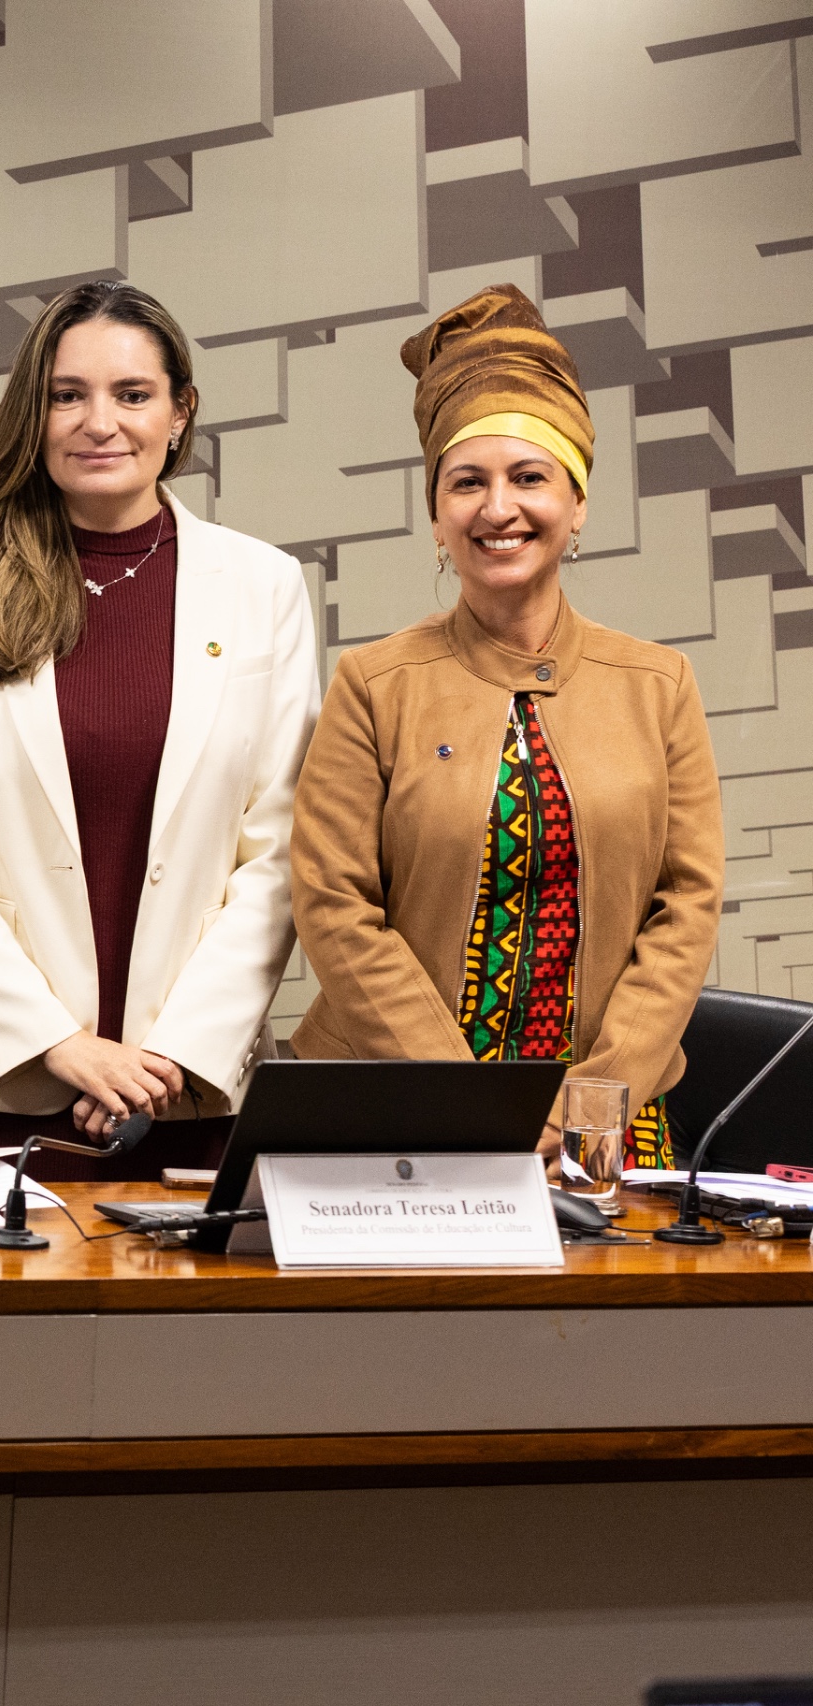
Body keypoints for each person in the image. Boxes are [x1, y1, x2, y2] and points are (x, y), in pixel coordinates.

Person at [0, 281, 321, 1181]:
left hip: (186, 1093)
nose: (99, 422)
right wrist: (59, 1043)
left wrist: (171, 1054)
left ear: (179, 411)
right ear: (32, 413)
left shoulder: (264, 586)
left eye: (132, 395)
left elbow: (279, 851)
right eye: (66, 394)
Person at [291, 284, 722, 1168]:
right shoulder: (373, 684)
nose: (498, 508)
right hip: (398, 1107)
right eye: (467, 483)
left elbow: (686, 908)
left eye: (529, 478)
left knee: (613, 1307)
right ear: (437, 515)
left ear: (578, 505)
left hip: (606, 1123)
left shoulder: (659, 684)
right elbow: (335, 908)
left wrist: (595, 1100)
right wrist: (471, 1105)